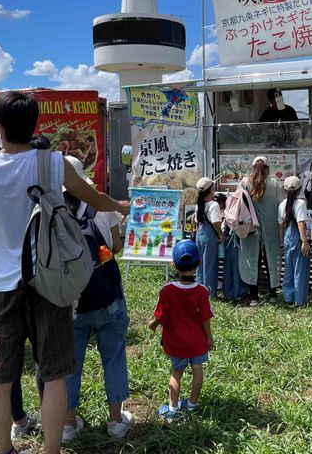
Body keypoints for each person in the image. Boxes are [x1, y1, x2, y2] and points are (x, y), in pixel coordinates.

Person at [0, 90, 130, 454]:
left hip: (0, 286)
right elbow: (94, 200)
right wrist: (120, 206)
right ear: (33, 125)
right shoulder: (53, 163)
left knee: (2, 375)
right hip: (49, 281)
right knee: (54, 372)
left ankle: (5, 450)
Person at [61, 156, 133, 443]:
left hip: (68, 300)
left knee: (70, 362)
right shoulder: (102, 206)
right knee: (113, 356)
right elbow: (115, 246)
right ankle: (115, 421)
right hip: (106, 294)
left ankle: (68, 423)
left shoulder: (48, 207)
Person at [149, 240, 214, 422]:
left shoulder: (167, 290)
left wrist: (153, 324)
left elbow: (161, 316)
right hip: (197, 342)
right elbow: (205, 318)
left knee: (177, 371)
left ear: (174, 265)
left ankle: (172, 409)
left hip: (175, 342)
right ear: (199, 262)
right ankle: (192, 405)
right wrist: (209, 338)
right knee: (197, 369)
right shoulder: (202, 291)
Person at [238, 156, 283, 306]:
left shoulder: (244, 183)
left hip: (250, 229)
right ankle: (272, 294)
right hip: (271, 230)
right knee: (270, 259)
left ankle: (253, 297)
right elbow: (282, 205)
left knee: (252, 260)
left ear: (252, 168)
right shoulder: (274, 184)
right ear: (268, 169)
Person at [278, 176, 311, 307]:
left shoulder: (282, 204)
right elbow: (300, 223)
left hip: (287, 237)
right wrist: (304, 242)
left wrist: (281, 243)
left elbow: (280, 226)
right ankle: (299, 300)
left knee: (288, 269)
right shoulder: (300, 203)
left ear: (284, 190)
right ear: (299, 190)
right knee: (300, 270)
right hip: (298, 237)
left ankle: (288, 297)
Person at [194, 177, 222, 298]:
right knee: (210, 265)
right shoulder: (214, 204)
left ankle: (199, 291)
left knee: (200, 265)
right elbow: (216, 223)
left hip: (199, 234)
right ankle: (209, 293)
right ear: (210, 190)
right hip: (210, 236)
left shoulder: (199, 204)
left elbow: (196, 221)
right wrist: (220, 234)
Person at [216, 193, 244, 301]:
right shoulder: (233, 212)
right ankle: (238, 292)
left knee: (227, 267)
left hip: (227, 241)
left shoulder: (223, 213)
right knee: (236, 267)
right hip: (235, 240)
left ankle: (227, 292)